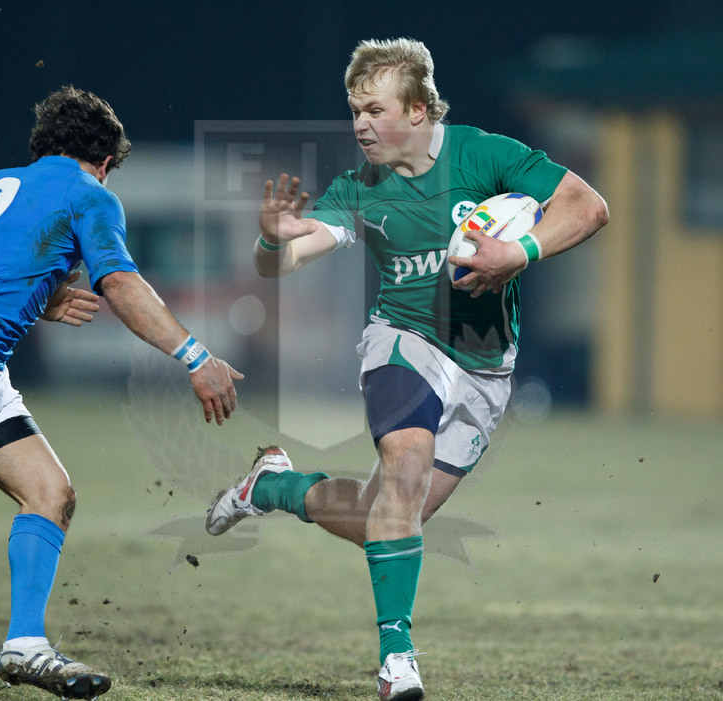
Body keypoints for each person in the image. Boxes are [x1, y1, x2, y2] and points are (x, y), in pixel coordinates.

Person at [206, 38, 608, 701]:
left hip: (485, 370)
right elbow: (284, 260)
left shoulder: (485, 154)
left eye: (375, 109)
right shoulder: (359, 186)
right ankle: (398, 660)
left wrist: (520, 250)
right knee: (405, 473)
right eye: (354, 110)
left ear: (419, 111)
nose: (361, 124)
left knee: (389, 518)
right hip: (403, 342)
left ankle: (272, 487)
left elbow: (588, 206)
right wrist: (272, 239)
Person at [0, 85, 243, 700]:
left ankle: (24, 645)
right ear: (104, 162)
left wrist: (40, 299)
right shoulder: (89, 194)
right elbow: (120, 285)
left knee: (51, 493)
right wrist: (196, 357)